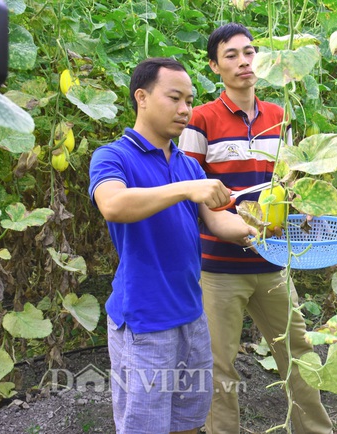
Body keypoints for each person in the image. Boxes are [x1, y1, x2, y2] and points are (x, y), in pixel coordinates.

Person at [178, 24, 334, 434]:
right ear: (215, 65)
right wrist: (234, 227)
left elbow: (289, 182)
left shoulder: (280, 117)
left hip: (273, 261)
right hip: (218, 267)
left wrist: (304, 206)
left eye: (250, 52)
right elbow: (191, 191)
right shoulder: (200, 120)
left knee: (297, 350)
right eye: (231, 55)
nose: (244, 62)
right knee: (218, 364)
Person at [88, 57, 256, 434]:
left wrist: (264, 228)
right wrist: (185, 188)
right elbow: (113, 205)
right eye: (175, 98)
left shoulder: (187, 165)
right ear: (142, 97)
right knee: (145, 426)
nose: (185, 110)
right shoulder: (113, 156)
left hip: (192, 316)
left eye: (190, 101)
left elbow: (217, 222)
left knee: (188, 422)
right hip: (145, 323)